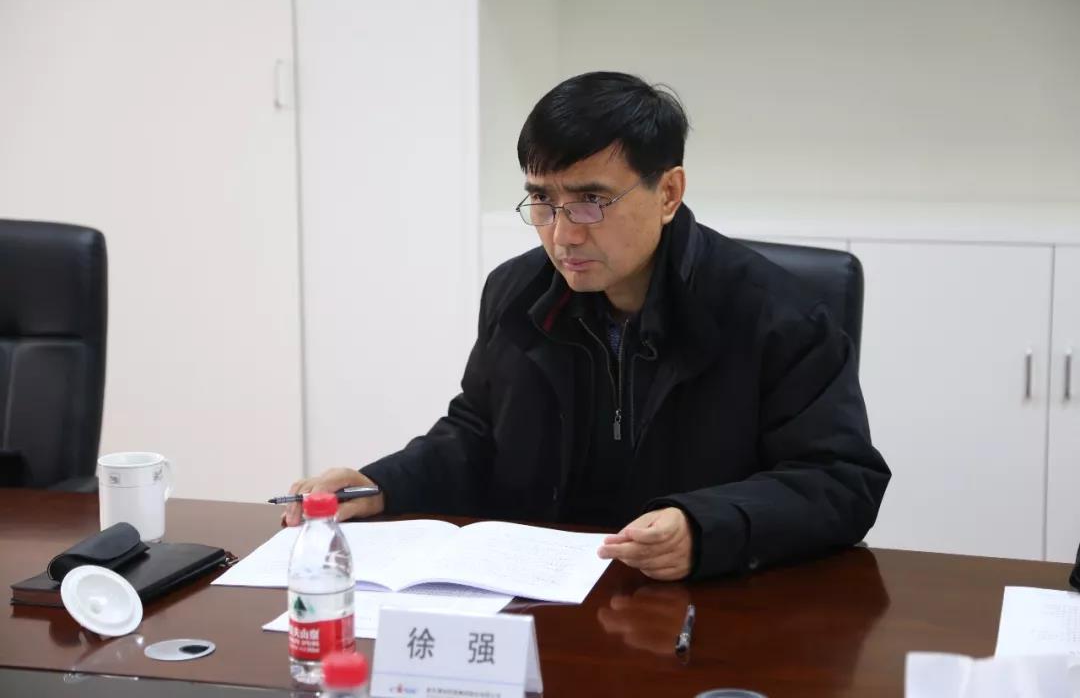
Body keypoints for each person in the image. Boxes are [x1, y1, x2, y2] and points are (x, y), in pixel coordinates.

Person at [284, 71, 890, 581]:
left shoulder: (776, 311)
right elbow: (478, 435)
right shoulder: (517, 292)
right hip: (546, 596)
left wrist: (704, 527)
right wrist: (378, 485)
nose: (562, 233)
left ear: (668, 193)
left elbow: (840, 480)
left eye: (590, 202)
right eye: (542, 201)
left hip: (706, 606)